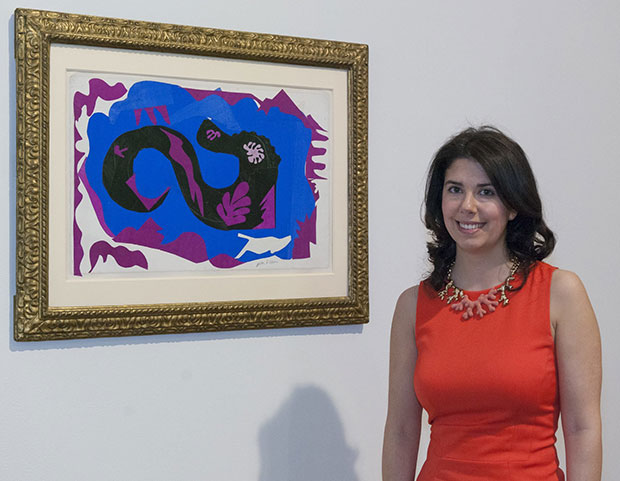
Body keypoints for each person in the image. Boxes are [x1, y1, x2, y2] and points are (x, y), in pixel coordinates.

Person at [382, 126, 602, 481]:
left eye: (486, 192)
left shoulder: (561, 293)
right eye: (455, 190)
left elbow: (582, 428)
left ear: (513, 205)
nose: (467, 207)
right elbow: (401, 432)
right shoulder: (412, 305)